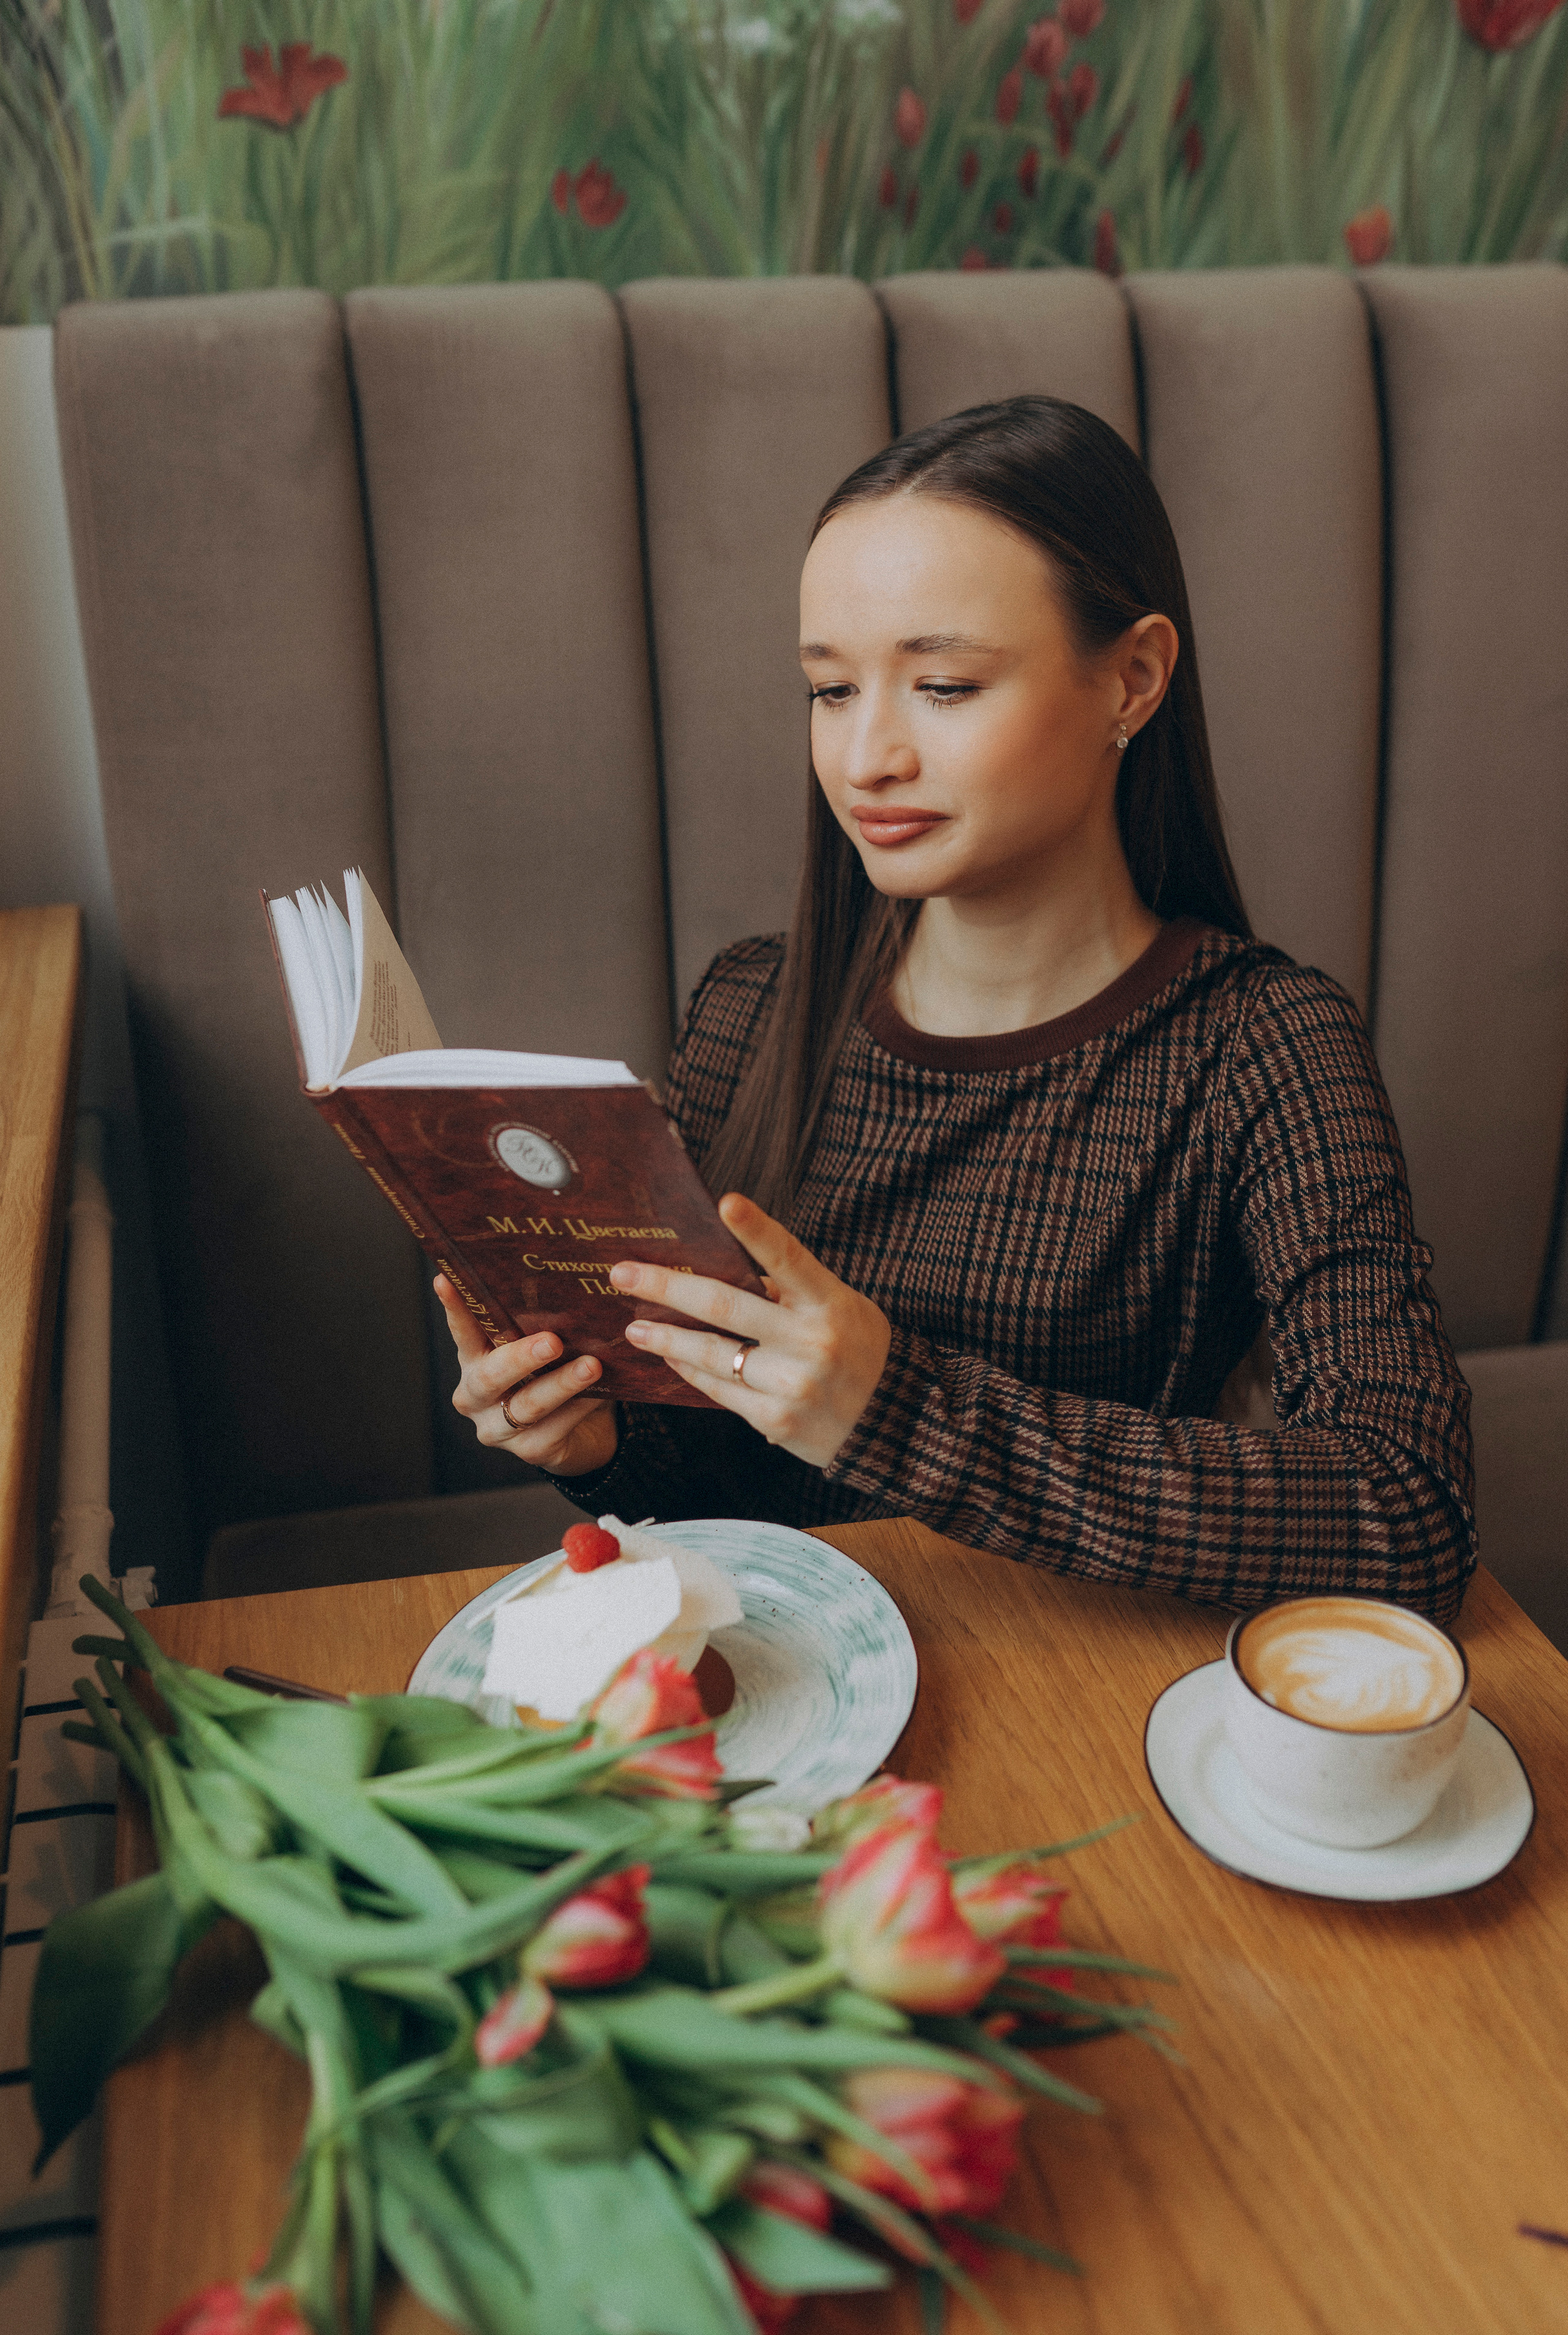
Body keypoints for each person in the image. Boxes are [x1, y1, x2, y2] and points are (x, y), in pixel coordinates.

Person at [436, 395, 1476, 1624]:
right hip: (797, 1692)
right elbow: (721, 1482)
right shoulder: (747, 1009)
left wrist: (899, 1409)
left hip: (1080, 1692)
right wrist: (595, 1443)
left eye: (939, 685)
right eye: (829, 691)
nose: (864, 757)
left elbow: (1408, 1503)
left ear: (1131, 679)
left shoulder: (1261, 1046)